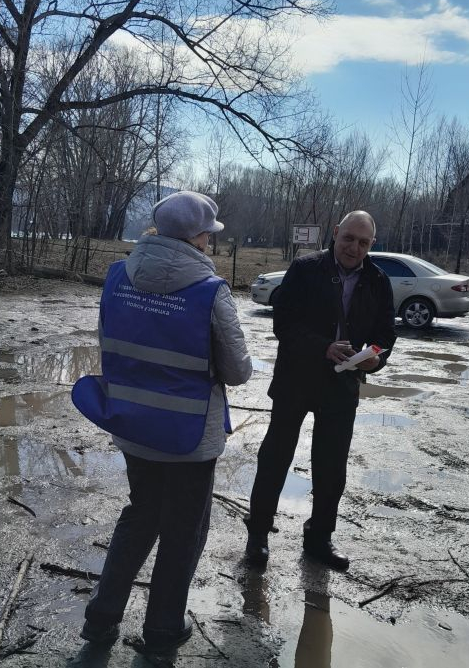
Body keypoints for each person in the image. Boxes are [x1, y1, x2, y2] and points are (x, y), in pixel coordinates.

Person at [72, 191, 252, 653]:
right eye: (208, 236)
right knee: (183, 532)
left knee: (140, 515)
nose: (209, 243)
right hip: (190, 437)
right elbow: (237, 371)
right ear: (198, 237)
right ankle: (163, 630)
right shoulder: (211, 292)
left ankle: (101, 618)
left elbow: (110, 346)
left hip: (134, 427)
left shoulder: (117, 277)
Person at [244, 211, 396, 570]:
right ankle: (258, 534)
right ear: (336, 233)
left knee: (331, 467)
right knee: (275, 459)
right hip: (296, 379)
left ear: (371, 244)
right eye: (349, 238)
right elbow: (283, 324)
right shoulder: (305, 268)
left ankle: (319, 538)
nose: (354, 248)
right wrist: (322, 347)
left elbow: (385, 335)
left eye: (363, 242)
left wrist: (375, 359)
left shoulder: (378, 280)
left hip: (342, 385)